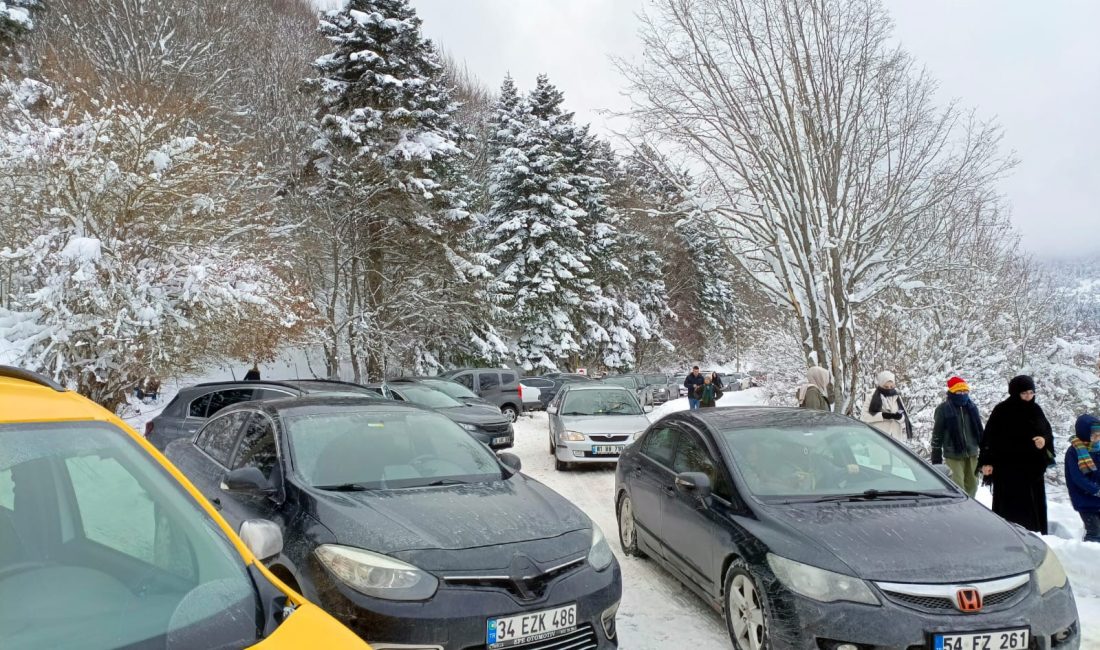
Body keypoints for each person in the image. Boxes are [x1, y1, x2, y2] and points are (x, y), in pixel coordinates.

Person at [978, 375, 1054, 534]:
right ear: (1015, 393)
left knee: (1033, 509)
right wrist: (986, 462)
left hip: (1032, 470)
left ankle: (1036, 536)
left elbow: (1047, 432)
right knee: (1011, 511)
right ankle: (1008, 537)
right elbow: (989, 438)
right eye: (1024, 393)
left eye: (1031, 393)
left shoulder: (1036, 410)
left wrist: (1044, 440)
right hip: (1008, 470)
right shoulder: (1002, 411)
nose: (1028, 397)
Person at [930, 376, 984, 497]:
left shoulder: (972, 408)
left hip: (972, 453)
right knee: (957, 485)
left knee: (973, 485)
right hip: (953, 454)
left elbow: (980, 431)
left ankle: (969, 509)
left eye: (965, 391)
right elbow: (937, 433)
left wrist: (985, 450)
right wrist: (936, 456)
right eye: (959, 391)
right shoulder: (943, 409)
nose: (963, 394)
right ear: (952, 392)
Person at [1064, 414, 1100, 543]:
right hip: (1085, 499)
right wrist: (1095, 490)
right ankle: (1089, 556)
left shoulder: (1098, 448)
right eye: (1094, 434)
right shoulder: (1074, 451)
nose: (1097, 437)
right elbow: (1077, 478)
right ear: (1085, 433)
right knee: (1094, 532)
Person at [860, 371, 913, 441]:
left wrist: (899, 417)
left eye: (891, 386)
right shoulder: (872, 397)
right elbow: (864, 417)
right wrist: (883, 416)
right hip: (877, 438)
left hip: (895, 439)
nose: (889, 389)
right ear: (881, 385)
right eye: (886, 387)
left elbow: (904, 418)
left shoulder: (897, 397)